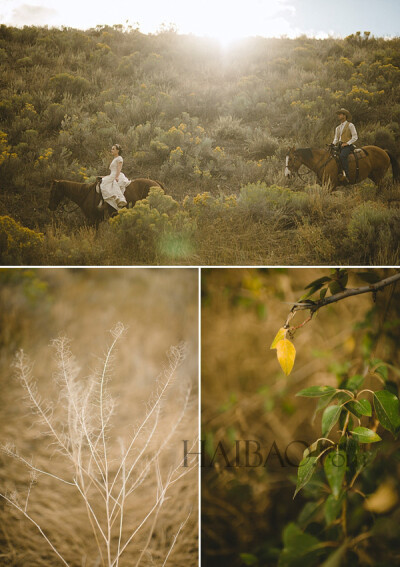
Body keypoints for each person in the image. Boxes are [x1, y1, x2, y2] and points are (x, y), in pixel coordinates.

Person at [332, 108, 358, 183]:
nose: (339, 116)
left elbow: (355, 137)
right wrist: (332, 144)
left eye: (340, 114)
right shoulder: (338, 128)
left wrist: (347, 143)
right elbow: (336, 139)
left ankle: (347, 175)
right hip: (340, 145)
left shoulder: (350, 125)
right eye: (339, 114)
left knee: (342, 156)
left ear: (344, 115)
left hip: (348, 146)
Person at [100, 144, 129, 210]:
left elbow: (119, 168)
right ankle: (110, 201)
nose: (111, 150)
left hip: (116, 175)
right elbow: (112, 171)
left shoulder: (119, 158)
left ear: (117, 151)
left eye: (113, 149)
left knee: (104, 184)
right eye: (111, 149)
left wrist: (117, 177)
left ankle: (118, 198)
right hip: (112, 175)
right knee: (103, 182)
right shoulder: (114, 159)